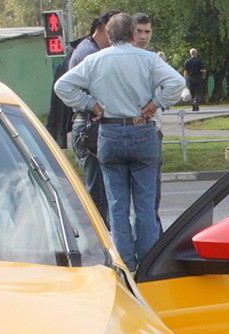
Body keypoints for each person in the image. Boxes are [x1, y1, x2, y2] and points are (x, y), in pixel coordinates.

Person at [55, 12, 185, 272]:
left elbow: (63, 86)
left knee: (117, 203)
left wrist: (90, 105)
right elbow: (177, 83)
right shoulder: (148, 59)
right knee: (145, 203)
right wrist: (155, 104)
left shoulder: (95, 60)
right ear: (132, 34)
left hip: (110, 132)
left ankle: (124, 261)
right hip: (143, 131)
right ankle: (148, 262)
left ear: (110, 34)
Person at [63, 9, 121, 226]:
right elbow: (67, 87)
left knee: (100, 191)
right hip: (89, 126)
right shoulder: (90, 53)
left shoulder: (89, 49)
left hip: (87, 125)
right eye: (116, 29)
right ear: (104, 27)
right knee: (97, 194)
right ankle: (100, 245)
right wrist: (94, 105)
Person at [133, 12, 164, 232]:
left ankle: (151, 237)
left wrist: (156, 103)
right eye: (139, 31)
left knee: (152, 193)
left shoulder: (154, 60)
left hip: (153, 129)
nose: (144, 36)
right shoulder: (124, 59)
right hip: (130, 128)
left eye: (147, 32)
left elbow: (175, 85)